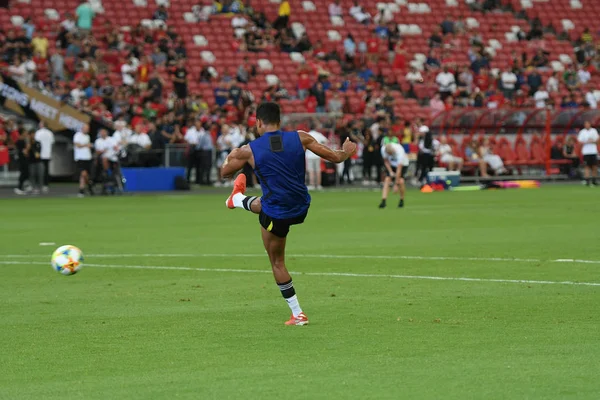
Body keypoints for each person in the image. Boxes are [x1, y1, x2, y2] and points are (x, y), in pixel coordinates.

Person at [220, 102, 357, 326]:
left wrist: (233, 155)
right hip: (302, 206)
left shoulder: (249, 150)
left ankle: (298, 314)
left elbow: (224, 172)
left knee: (277, 262)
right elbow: (336, 157)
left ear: (258, 122)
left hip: (278, 212)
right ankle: (236, 200)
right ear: (280, 122)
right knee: (267, 202)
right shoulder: (301, 137)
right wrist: (348, 151)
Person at [379, 143, 409, 209]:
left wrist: (396, 184)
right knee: (387, 179)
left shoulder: (400, 151)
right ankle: (383, 201)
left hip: (403, 164)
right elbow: (386, 161)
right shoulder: (383, 149)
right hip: (392, 164)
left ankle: (401, 200)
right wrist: (390, 171)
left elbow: (399, 169)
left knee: (401, 181)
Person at [73, 124, 94, 197]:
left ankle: (85, 187)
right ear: (82, 128)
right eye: (86, 128)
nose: (87, 130)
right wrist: (86, 145)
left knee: (85, 175)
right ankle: (87, 186)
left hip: (87, 157)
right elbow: (77, 145)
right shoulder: (77, 135)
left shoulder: (88, 136)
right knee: (83, 174)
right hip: (80, 158)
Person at [34, 121, 55, 193]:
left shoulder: (38, 133)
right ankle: (45, 185)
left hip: (39, 154)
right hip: (47, 154)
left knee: (38, 170)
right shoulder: (50, 133)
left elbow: (36, 143)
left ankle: (37, 185)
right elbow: (52, 143)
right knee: (46, 170)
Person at [577, 121, 599, 186]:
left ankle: (594, 180)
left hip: (593, 151)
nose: (587, 125)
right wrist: (586, 142)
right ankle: (587, 180)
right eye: (585, 124)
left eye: (588, 124)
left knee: (594, 166)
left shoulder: (594, 131)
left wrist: (593, 141)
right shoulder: (582, 132)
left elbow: (597, 140)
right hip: (586, 152)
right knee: (587, 166)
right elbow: (579, 142)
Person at [14, 129, 30, 195]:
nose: (26, 133)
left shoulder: (22, 140)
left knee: (26, 173)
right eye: (25, 132)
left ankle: (24, 186)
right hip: (22, 159)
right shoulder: (20, 141)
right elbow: (24, 151)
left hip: (24, 159)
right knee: (23, 173)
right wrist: (27, 147)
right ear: (22, 133)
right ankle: (19, 188)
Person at [27, 130, 44, 195]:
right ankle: (33, 187)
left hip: (38, 161)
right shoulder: (28, 143)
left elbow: (38, 153)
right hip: (31, 162)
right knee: (32, 175)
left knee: (40, 174)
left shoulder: (38, 142)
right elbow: (26, 153)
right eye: (31, 134)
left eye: (33, 134)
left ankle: (40, 187)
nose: (33, 135)